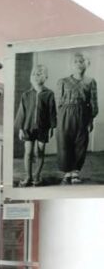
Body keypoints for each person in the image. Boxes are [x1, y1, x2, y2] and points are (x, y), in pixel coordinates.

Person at [56, 52, 98, 184]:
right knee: (64, 142)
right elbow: (57, 102)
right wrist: (58, 119)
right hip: (65, 114)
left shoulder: (91, 81)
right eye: (76, 61)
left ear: (87, 64)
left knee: (80, 143)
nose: (79, 64)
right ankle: (67, 172)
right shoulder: (62, 81)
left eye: (82, 61)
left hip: (82, 114)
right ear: (71, 65)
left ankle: (75, 172)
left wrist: (91, 120)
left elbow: (93, 102)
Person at [14, 63, 57, 186]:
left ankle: (37, 177)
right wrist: (21, 128)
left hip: (43, 128)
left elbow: (52, 111)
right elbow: (21, 113)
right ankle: (28, 177)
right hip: (28, 127)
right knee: (28, 153)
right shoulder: (26, 95)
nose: (36, 77)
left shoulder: (49, 94)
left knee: (39, 152)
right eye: (34, 74)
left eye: (39, 74)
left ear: (45, 77)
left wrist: (52, 127)